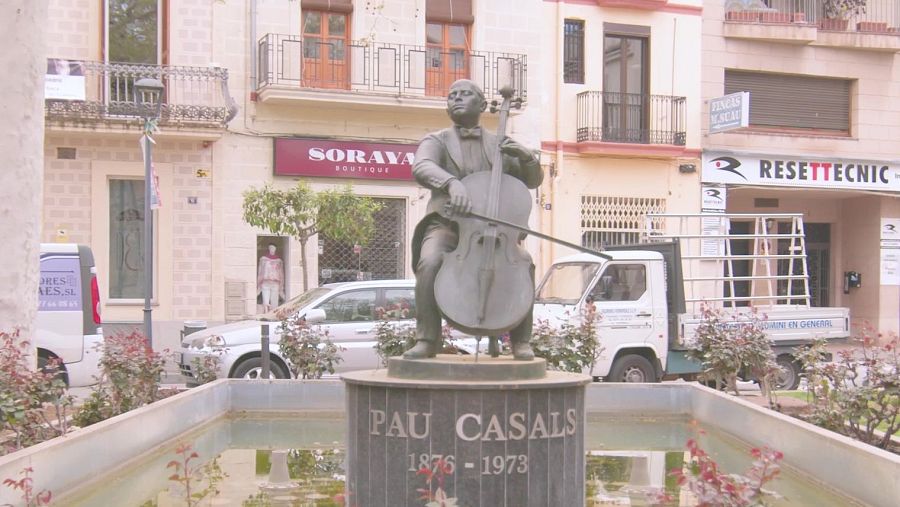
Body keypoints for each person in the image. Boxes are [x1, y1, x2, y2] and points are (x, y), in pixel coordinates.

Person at [404, 79, 543, 360]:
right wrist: (452, 183)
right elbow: (422, 166)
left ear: (482, 105)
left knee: (525, 264)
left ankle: (521, 342)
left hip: (491, 229)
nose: (456, 99)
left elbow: (531, 180)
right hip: (447, 223)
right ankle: (427, 339)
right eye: (451, 95)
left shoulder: (500, 143)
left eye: (464, 94)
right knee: (429, 262)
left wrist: (527, 158)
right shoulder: (437, 140)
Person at [257, 244, 285, 312]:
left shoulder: (279, 261)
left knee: (274, 300)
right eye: (271, 248)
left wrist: (281, 284)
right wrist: (259, 283)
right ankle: (266, 312)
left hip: (275, 282)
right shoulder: (263, 259)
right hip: (265, 281)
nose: (272, 250)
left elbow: (281, 272)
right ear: (269, 249)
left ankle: (274, 313)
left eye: (274, 248)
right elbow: (260, 271)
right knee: (265, 300)